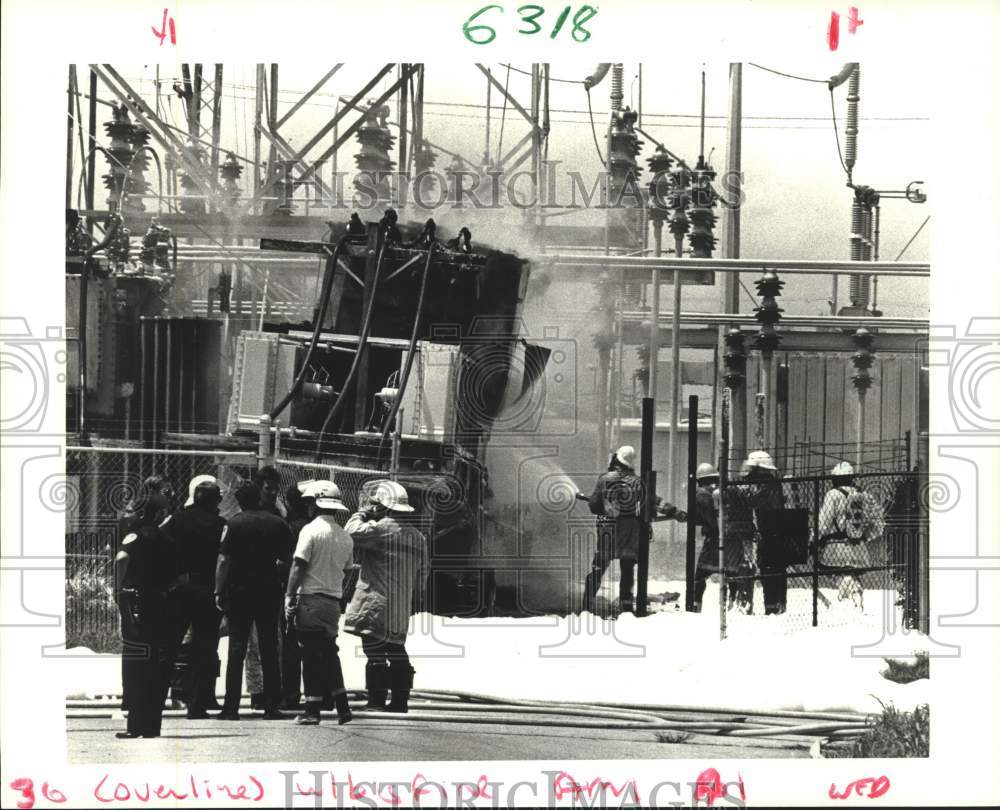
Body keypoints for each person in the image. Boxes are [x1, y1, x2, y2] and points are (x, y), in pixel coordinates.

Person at [345, 480, 429, 714]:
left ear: (383, 506)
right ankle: (400, 701)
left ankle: (376, 700)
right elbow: (423, 577)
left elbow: (350, 532)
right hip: (400, 606)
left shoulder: (382, 529)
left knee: (374, 651)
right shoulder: (418, 538)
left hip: (375, 603)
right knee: (396, 649)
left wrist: (363, 512)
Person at [215, 483, 294, 720]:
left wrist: (219, 590)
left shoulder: (234, 524)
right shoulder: (277, 523)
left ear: (239, 501)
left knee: (237, 648)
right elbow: (288, 558)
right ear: (259, 498)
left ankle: (231, 707)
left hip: (239, 590)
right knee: (269, 648)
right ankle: (272, 705)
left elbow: (224, 561)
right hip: (268, 589)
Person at [284, 481, 355, 726]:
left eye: (308, 502)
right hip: (333, 602)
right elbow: (348, 569)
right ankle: (342, 705)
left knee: (311, 655)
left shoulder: (310, 531)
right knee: (329, 652)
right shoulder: (345, 536)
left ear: (315, 503)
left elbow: (298, 565)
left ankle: (312, 709)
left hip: (310, 600)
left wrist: (289, 595)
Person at [583, 446, 685, 615]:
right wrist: (674, 511)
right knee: (627, 569)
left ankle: (587, 605)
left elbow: (594, 506)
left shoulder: (605, 479)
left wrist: (601, 504)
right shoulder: (638, 482)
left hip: (607, 530)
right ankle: (626, 606)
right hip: (630, 532)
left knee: (598, 567)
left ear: (616, 459)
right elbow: (654, 502)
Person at [114, 480, 179, 738]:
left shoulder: (135, 536)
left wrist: (118, 589)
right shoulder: (168, 541)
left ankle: (135, 725)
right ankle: (152, 725)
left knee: (136, 661)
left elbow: (121, 559)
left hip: (138, 603)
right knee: (157, 663)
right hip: (161, 603)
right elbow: (178, 577)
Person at [159, 474, 228, 719]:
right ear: (213, 501)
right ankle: (197, 705)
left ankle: (157, 699)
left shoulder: (177, 519)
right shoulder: (221, 524)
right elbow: (224, 558)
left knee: (170, 645)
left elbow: (159, 540)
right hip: (207, 591)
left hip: (180, 589)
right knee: (205, 649)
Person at [818, 461, 886, 609]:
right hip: (859, 545)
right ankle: (853, 595)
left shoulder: (833, 495)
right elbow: (879, 524)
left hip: (836, 545)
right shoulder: (864, 495)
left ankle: (851, 597)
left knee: (839, 573)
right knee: (852, 573)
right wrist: (864, 537)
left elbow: (823, 523)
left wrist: (817, 537)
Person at [729, 451, 787, 614]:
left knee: (768, 569)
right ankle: (777, 606)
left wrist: (737, 487)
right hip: (773, 531)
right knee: (774, 570)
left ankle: (772, 608)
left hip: (769, 532)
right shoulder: (773, 483)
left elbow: (751, 499)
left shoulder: (765, 486)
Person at [279, 482, 312, 710]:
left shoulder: (290, 528)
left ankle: (291, 695)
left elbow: (288, 564)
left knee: (290, 646)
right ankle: (321, 694)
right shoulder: (313, 527)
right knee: (317, 646)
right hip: (318, 592)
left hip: (294, 590)